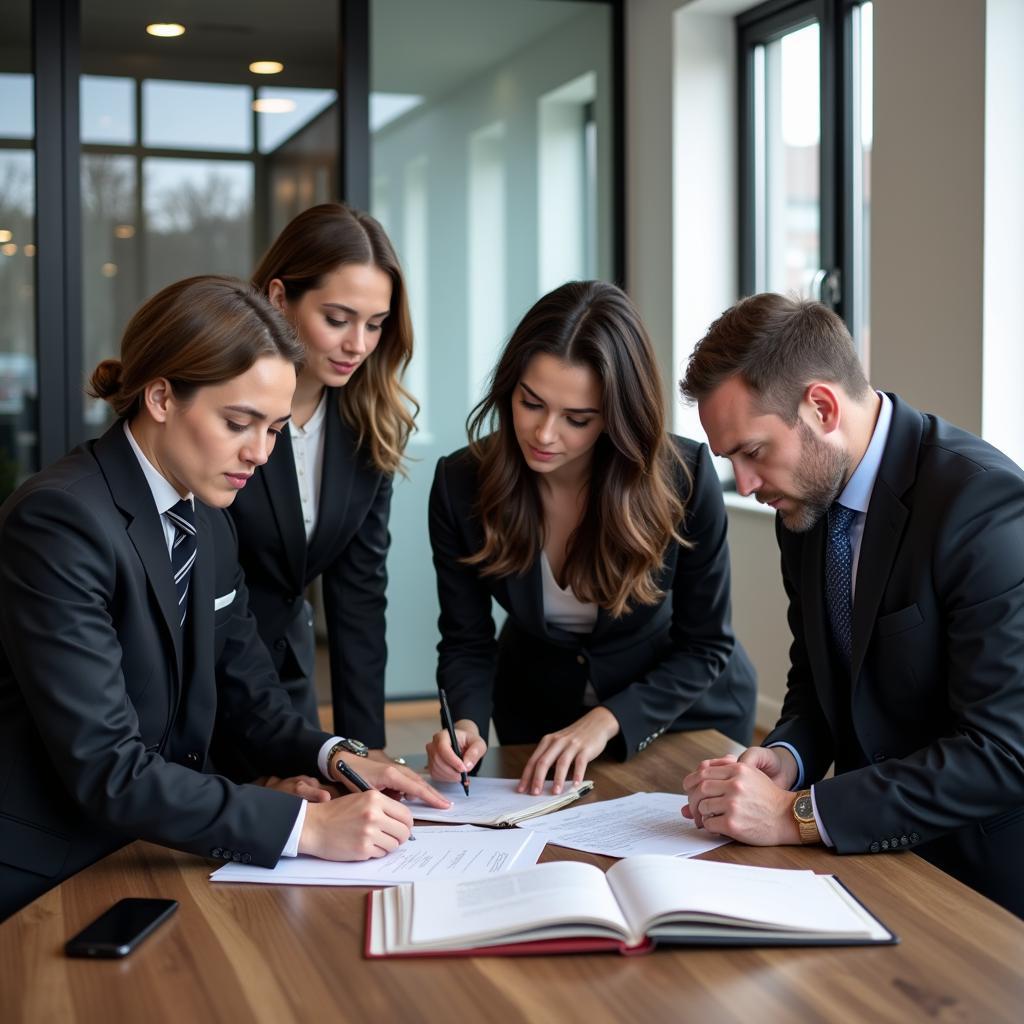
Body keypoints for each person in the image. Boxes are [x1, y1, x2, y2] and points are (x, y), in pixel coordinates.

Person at [0, 275, 447, 921]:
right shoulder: (60, 521)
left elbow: (248, 696)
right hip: (51, 871)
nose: (260, 454)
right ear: (159, 396)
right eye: (239, 423)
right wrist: (305, 828)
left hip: (157, 847)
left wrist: (339, 757)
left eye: (273, 430)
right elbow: (108, 767)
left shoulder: (206, 518)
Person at [678, 292, 1024, 918]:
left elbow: (1001, 753)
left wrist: (801, 814)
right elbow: (819, 684)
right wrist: (785, 758)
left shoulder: (982, 507)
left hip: (981, 890)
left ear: (821, 406)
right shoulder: (805, 506)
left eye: (753, 452)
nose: (747, 486)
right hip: (867, 865)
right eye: (732, 461)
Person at [425, 280, 756, 796]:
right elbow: (467, 641)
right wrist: (464, 724)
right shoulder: (460, 482)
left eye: (577, 419)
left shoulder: (683, 476)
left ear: (617, 417)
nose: (544, 434)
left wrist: (607, 719)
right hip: (538, 715)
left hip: (681, 713)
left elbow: (706, 644)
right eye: (530, 403)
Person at [225, 204, 414, 759]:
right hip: (201, 683)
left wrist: (366, 751)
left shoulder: (371, 427)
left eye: (375, 324)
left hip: (291, 684)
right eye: (338, 318)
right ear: (280, 299)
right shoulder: (225, 413)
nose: (358, 343)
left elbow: (358, 598)